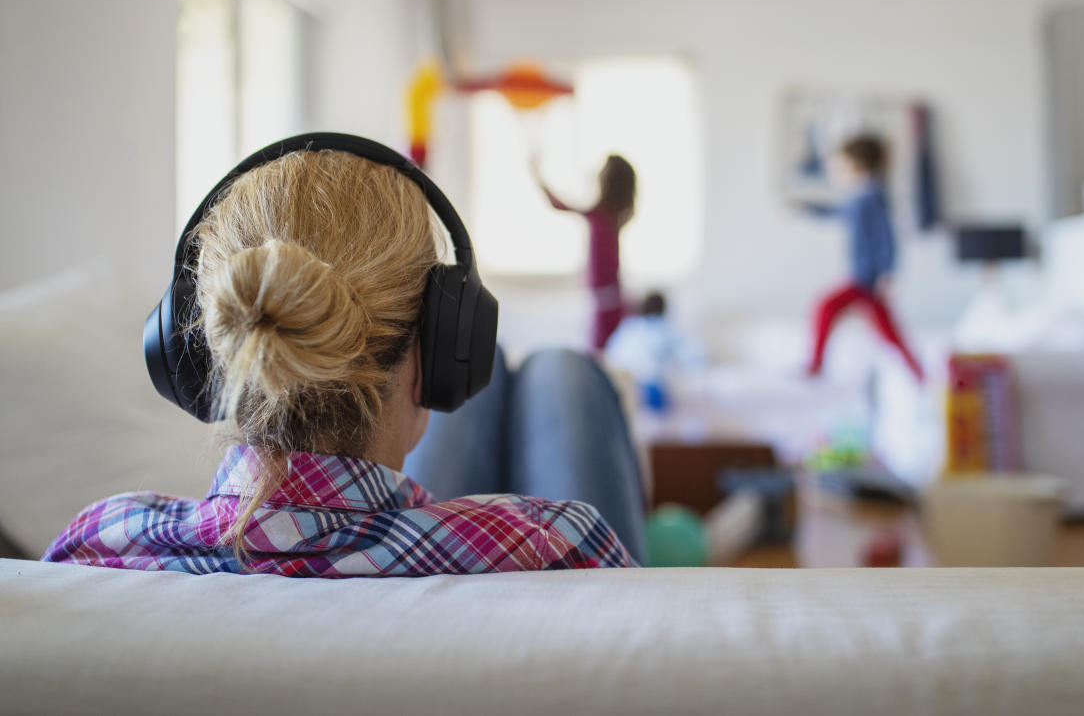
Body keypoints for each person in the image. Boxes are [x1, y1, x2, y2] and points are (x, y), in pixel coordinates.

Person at [43, 142, 645, 575]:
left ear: (195, 355)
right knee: (563, 372)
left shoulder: (96, 546)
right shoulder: (562, 545)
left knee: (557, 372)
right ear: (436, 358)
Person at [804, 134, 923, 381]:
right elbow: (836, 212)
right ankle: (918, 375)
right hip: (863, 276)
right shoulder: (861, 195)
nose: (837, 171)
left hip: (867, 278)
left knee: (826, 307)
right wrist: (805, 208)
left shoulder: (873, 196)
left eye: (841, 165)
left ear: (856, 163)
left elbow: (886, 237)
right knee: (888, 331)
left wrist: (888, 272)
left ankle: (815, 367)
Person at [533, 154, 636, 351]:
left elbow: (558, 204)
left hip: (607, 301)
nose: (599, 174)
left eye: (603, 171)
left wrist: (538, 176)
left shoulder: (603, 215)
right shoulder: (608, 216)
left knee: (603, 353)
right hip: (605, 299)